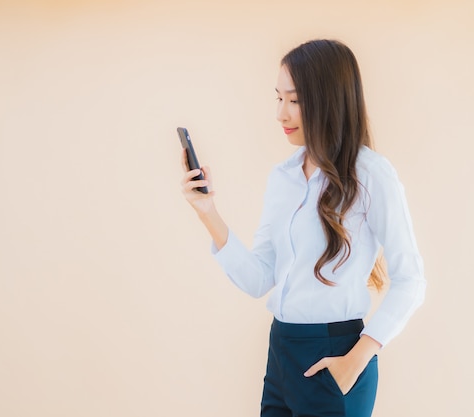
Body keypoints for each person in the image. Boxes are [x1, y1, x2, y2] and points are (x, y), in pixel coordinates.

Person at [180, 39, 426, 417]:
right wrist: (207, 212)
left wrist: (356, 359)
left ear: (329, 99)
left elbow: (411, 280)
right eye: (277, 98)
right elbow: (260, 278)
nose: (281, 114)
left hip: (336, 352)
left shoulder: (372, 175)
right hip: (281, 350)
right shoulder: (283, 178)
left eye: (294, 100)